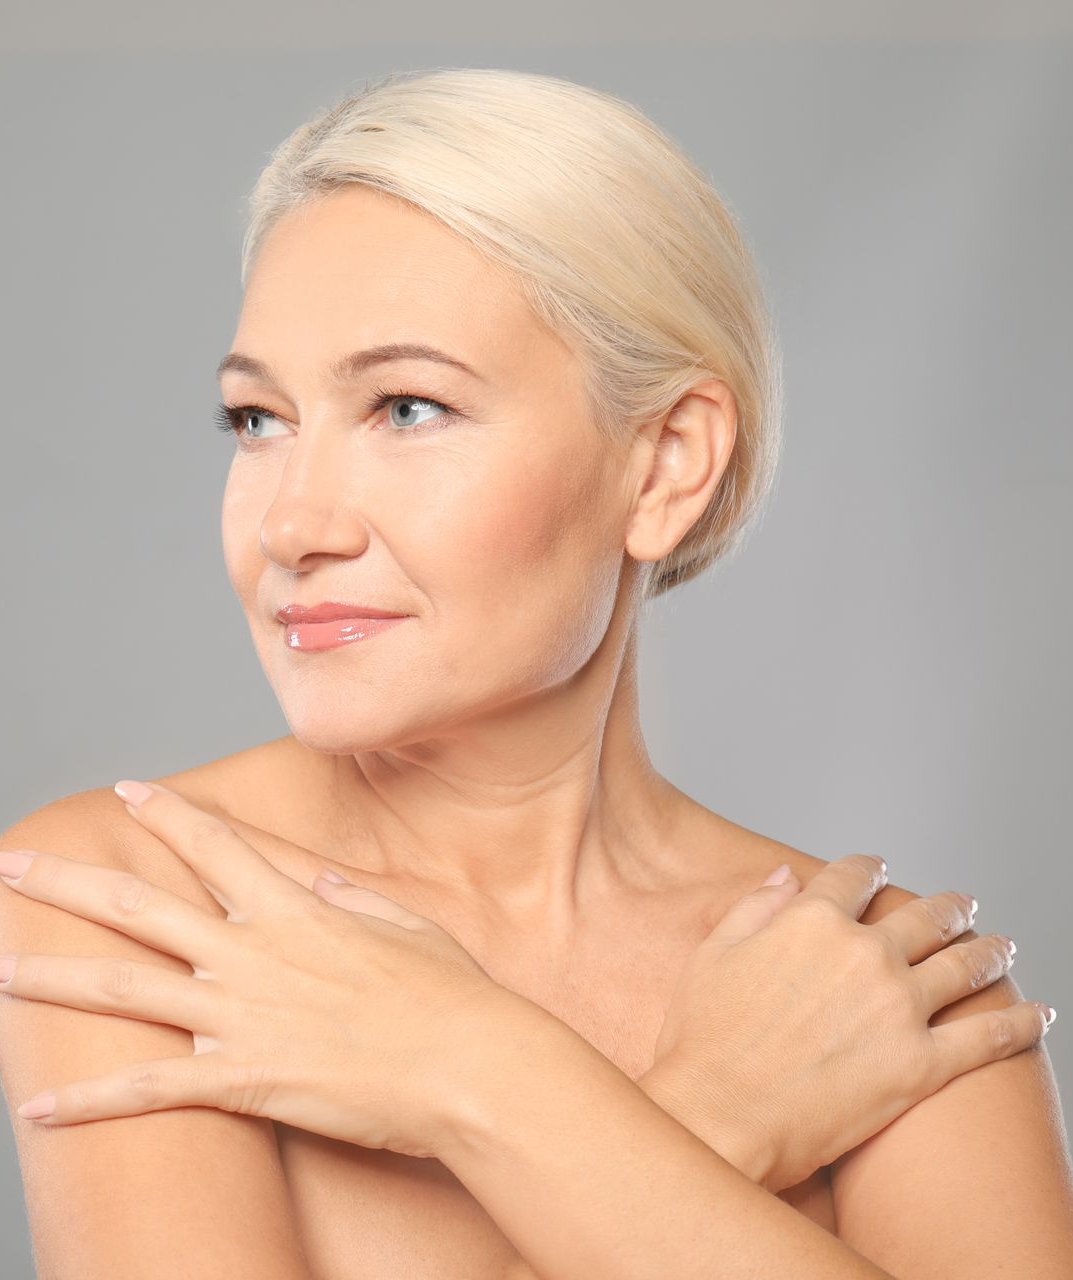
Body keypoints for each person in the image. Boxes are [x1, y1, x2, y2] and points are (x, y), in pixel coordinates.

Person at [1, 66, 1071, 1279]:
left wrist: (469, 1063)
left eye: (407, 407)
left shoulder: (874, 980)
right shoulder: (135, 899)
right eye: (258, 419)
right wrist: (693, 1118)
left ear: (666, 464)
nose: (291, 523)